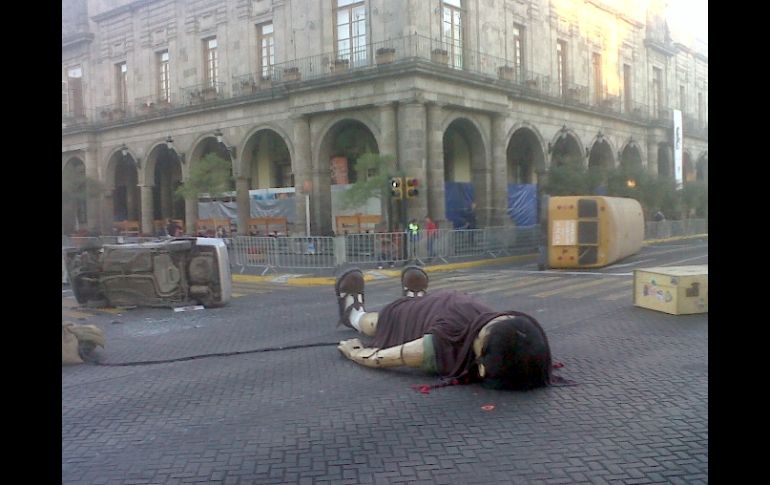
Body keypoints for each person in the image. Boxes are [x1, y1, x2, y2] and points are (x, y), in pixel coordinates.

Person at [334, 266, 553, 390]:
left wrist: (354, 352)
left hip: (413, 318)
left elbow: (380, 357)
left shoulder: (439, 346)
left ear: (483, 367)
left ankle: (353, 313)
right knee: (410, 307)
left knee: (378, 323)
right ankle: (416, 296)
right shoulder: (511, 336)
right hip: (443, 303)